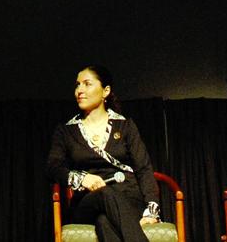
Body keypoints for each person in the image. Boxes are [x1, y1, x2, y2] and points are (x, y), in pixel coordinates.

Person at [45, 65, 162, 242]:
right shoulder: (66, 131)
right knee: (105, 193)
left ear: (105, 91)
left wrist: (152, 210)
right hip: (87, 203)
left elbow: (144, 168)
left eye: (87, 84)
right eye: (77, 85)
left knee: (104, 223)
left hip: (128, 200)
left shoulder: (125, 126)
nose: (79, 90)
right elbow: (52, 168)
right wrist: (82, 178)